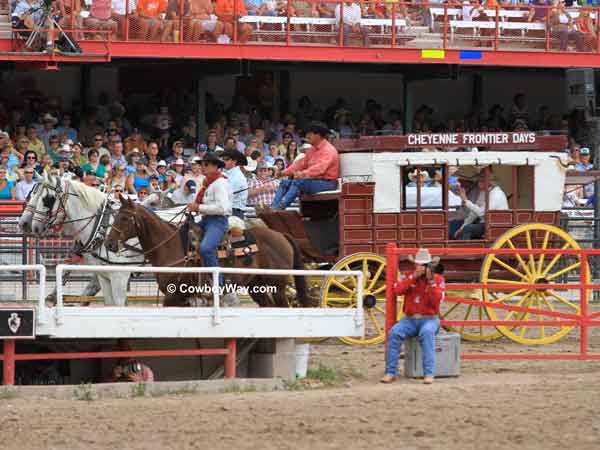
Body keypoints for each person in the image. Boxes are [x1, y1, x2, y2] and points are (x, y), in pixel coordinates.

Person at [381, 248, 445, 385]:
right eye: (419, 264)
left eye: (424, 265)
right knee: (394, 332)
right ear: (415, 264)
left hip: (430, 319)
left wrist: (431, 282)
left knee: (427, 332)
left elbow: (437, 301)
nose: (421, 267)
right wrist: (413, 277)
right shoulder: (409, 276)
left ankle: (429, 373)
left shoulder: (438, 279)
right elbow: (397, 290)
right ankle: (391, 372)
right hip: (410, 319)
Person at [187, 152, 232, 291]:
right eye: (201, 164)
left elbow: (222, 208)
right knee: (182, 231)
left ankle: (219, 284)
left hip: (217, 222)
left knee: (206, 248)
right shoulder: (208, 182)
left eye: (205, 164)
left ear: (214, 166)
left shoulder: (220, 183)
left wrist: (198, 207)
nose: (202, 167)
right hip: (206, 220)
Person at [270, 122, 339, 210]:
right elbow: (300, 164)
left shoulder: (328, 150)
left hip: (328, 183)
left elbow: (320, 168)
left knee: (298, 182)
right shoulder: (312, 150)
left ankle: (279, 207)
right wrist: (283, 173)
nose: (307, 136)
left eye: (309, 134)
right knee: (284, 183)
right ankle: (273, 207)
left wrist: (302, 174)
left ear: (317, 135)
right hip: (315, 181)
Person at [449, 173, 509, 240]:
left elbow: (481, 212)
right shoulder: (484, 192)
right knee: (454, 224)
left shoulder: (496, 194)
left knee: (467, 229)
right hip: (485, 223)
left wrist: (465, 200)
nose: (478, 183)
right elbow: (474, 213)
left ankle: (463, 249)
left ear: (489, 182)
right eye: (478, 181)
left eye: (481, 181)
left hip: (494, 226)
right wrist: (461, 227)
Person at [222, 149, 248, 219]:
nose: (223, 161)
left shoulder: (238, 177)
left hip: (234, 212)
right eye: (223, 159)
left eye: (226, 159)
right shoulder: (226, 173)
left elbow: (225, 195)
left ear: (234, 161)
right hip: (226, 210)